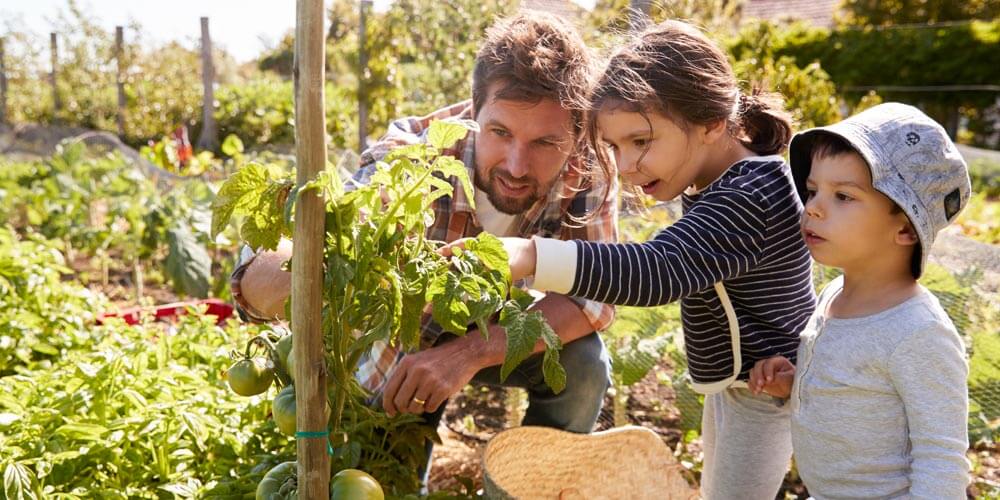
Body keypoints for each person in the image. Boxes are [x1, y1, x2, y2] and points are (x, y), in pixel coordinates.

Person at [231, 11, 618, 466]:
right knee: (385, 470)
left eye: (544, 144)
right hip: (407, 340)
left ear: (575, 136)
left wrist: (470, 352)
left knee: (584, 364)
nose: (516, 165)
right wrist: (282, 268)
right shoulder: (415, 155)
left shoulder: (587, 170)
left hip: (500, 328)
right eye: (500, 132)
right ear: (474, 110)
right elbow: (338, 230)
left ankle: (535, 484)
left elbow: (593, 299)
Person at [453, 20, 817, 499]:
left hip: (769, 389)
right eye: (614, 147)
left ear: (710, 122)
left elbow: (657, 271)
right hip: (746, 383)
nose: (625, 167)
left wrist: (528, 255)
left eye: (640, 141)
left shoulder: (751, 194)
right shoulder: (721, 182)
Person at [749, 102, 971, 498]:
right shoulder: (835, 294)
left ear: (904, 227)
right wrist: (797, 382)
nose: (813, 208)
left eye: (843, 197)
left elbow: (942, 458)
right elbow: (858, 387)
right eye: (814, 190)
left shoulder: (918, 333)